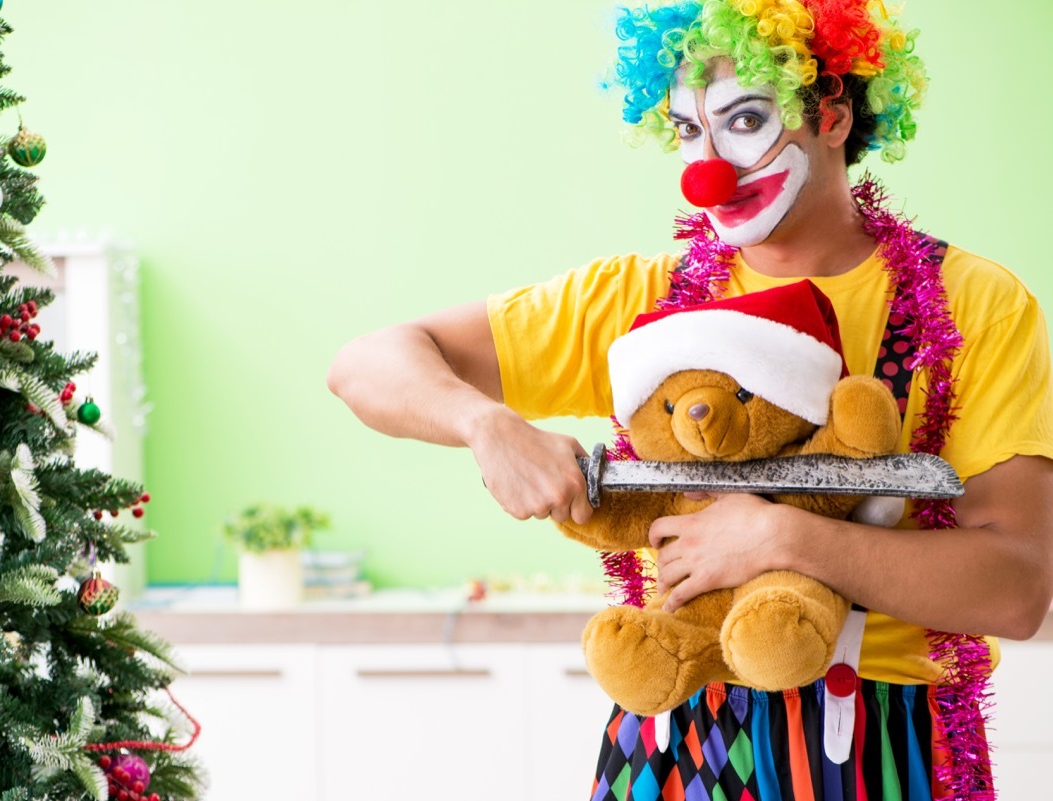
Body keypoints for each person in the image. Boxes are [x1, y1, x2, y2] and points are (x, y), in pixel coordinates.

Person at [326, 1, 1053, 798]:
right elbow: (366, 364)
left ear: (834, 116)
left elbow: (1017, 590)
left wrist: (782, 537)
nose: (707, 168)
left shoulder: (969, 303)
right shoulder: (640, 301)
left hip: (884, 740)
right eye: (686, 133)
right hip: (675, 731)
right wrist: (484, 422)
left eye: (744, 121)